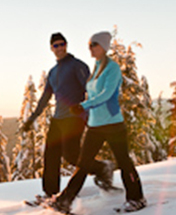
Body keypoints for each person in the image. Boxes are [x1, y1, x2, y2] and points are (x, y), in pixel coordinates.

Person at [52, 31, 146, 213]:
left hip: (113, 124)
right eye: (89, 45)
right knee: (83, 164)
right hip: (95, 125)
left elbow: (107, 94)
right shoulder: (95, 67)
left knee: (124, 162)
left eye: (94, 45)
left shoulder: (112, 68)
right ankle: (65, 201)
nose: (90, 48)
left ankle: (137, 198)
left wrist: (84, 105)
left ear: (103, 46)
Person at [22, 32, 114, 203]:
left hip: (75, 118)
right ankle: (50, 195)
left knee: (71, 156)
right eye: (56, 45)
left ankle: (102, 167)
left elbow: (91, 89)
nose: (59, 48)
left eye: (62, 44)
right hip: (58, 120)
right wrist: (32, 118)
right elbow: (45, 97)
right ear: (51, 49)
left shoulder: (76, 66)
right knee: (51, 155)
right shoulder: (53, 72)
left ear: (66, 45)